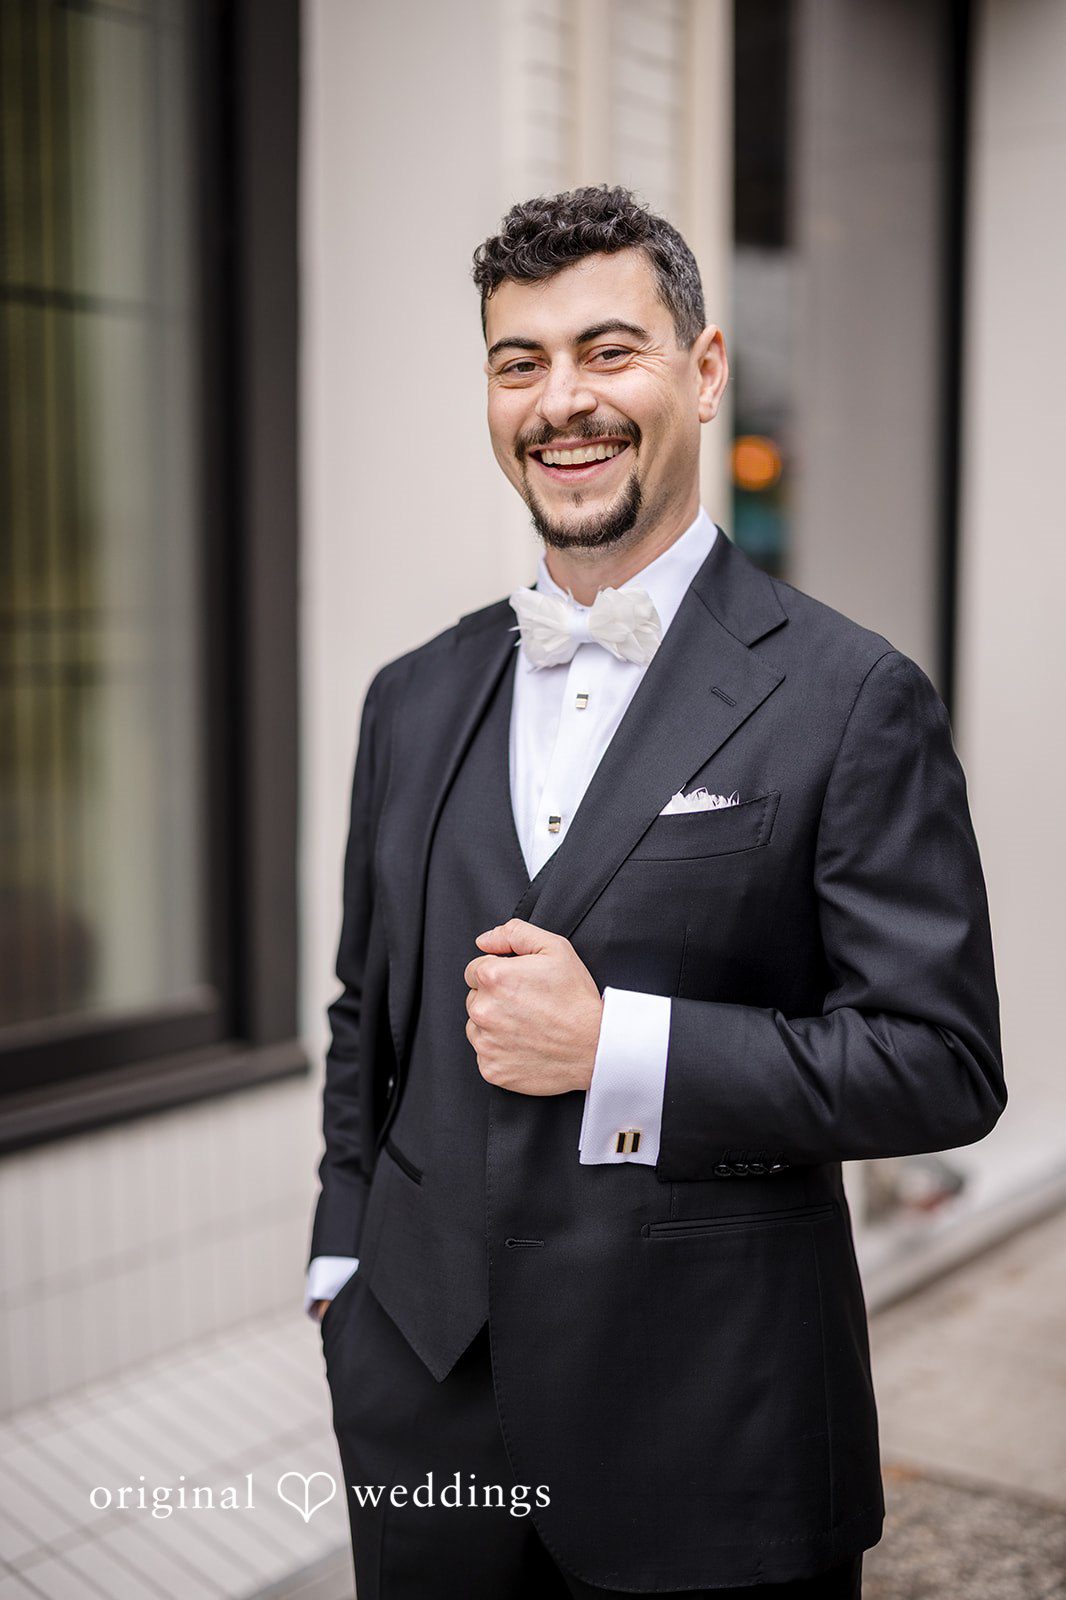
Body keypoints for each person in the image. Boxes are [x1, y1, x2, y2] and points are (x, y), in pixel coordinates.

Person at [304, 185, 1005, 1599]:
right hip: (426, 1423)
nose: (561, 401)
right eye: (520, 363)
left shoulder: (851, 696)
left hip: (714, 1427)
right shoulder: (411, 696)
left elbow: (940, 1066)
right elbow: (361, 1015)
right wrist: (341, 1276)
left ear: (702, 369)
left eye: (607, 351)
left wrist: (617, 1045)